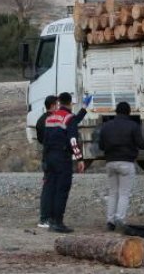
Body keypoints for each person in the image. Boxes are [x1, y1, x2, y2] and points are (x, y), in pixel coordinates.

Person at [43, 92, 92, 233]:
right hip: (62, 158)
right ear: (70, 103)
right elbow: (73, 140)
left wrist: (84, 108)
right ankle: (58, 222)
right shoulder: (68, 118)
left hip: (50, 157)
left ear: (59, 102)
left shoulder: (50, 118)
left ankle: (51, 220)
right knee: (62, 190)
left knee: (52, 189)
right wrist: (80, 159)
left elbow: (46, 141)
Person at [99, 101, 144, 232]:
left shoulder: (106, 126)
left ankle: (110, 221)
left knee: (112, 193)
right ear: (129, 112)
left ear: (116, 112)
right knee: (124, 194)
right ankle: (120, 219)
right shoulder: (133, 125)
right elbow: (142, 144)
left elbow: (100, 146)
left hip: (110, 163)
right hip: (126, 163)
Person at [36, 95, 58, 228]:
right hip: (52, 157)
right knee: (49, 189)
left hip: (46, 156)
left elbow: (40, 139)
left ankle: (47, 217)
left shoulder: (40, 120)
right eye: (57, 104)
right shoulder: (53, 120)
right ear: (53, 105)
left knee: (49, 187)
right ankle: (45, 219)